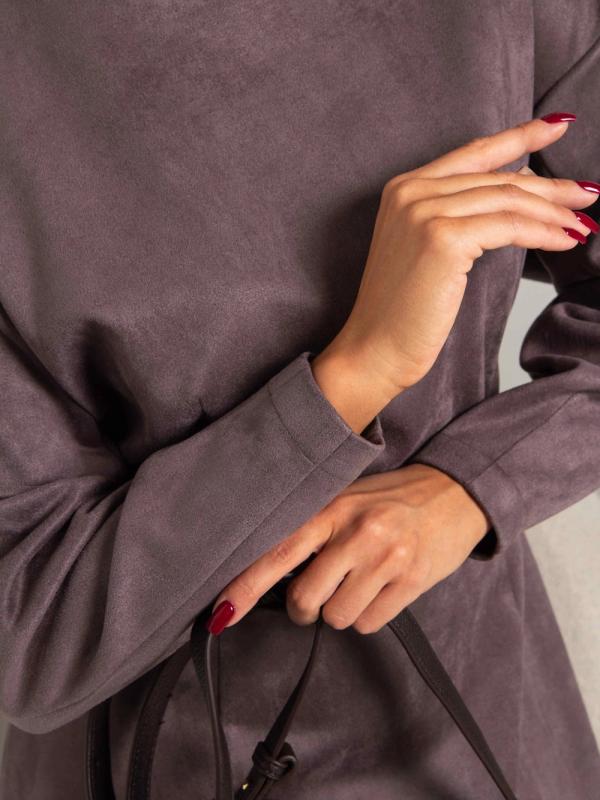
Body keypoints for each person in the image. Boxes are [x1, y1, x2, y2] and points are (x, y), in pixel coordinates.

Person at [1, 2, 599, 798]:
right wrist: (358, 371)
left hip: (470, 706)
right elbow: (31, 631)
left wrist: (472, 485)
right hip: (162, 748)